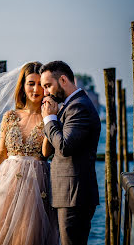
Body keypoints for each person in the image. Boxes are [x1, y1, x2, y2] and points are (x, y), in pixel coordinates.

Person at [0, 62, 59, 245]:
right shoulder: (10, 116)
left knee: (27, 236)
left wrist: (49, 118)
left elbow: (47, 153)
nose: (36, 89)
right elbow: (1, 154)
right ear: (22, 85)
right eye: (31, 83)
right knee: (0, 234)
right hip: (6, 183)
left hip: (36, 185)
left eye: (40, 84)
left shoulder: (50, 117)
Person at [40, 61, 100, 245]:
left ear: (63, 79)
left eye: (48, 85)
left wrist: (49, 118)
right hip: (68, 195)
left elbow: (65, 147)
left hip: (74, 196)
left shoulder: (78, 107)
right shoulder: (69, 105)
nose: (45, 92)